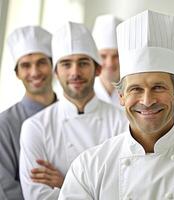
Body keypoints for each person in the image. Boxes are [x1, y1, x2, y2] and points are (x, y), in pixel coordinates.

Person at [58, 10, 174, 200]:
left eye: (158, 87)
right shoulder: (88, 167)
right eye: (135, 89)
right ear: (121, 96)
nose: (147, 101)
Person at [19, 22, 128, 200]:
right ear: (56, 72)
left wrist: (66, 182)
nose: (75, 72)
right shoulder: (35, 127)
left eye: (83, 63)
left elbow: (128, 188)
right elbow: (37, 196)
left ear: (98, 69)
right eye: (66, 64)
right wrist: (96, 189)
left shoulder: (123, 121)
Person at [0, 26, 56, 200]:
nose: (35, 72)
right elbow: (4, 188)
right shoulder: (4, 124)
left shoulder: (75, 115)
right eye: (25, 65)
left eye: (41, 62)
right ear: (17, 73)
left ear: (53, 66)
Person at [92, 15, 122, 107]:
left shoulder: (134, 93)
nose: (110, 64)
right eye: (103, 56)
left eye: (116, 56)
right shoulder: (84, 94)